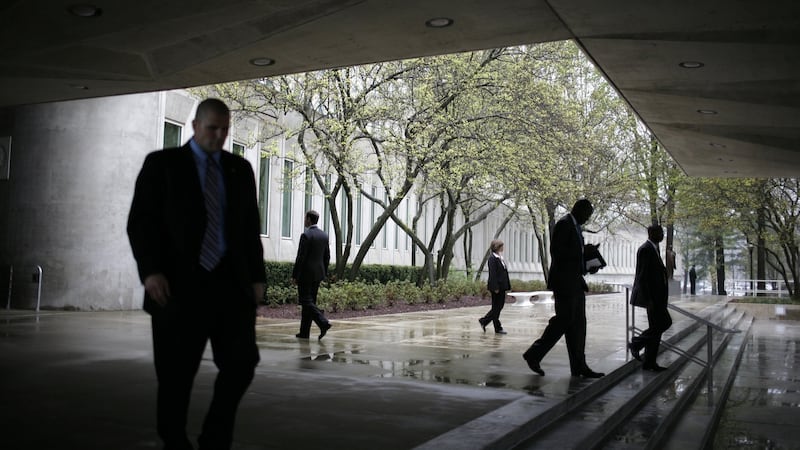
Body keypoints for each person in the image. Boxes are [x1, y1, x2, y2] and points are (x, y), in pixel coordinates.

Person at [127, 98, 266, 450]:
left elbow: (250, 229)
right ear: (194, 126)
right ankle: (174, 440)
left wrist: (257, 277)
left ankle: (214, 439)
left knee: (242, 364)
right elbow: (141, 223)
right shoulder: (163, 165)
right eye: (212, 128)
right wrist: (151, 271)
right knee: (176, 378)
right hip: (176, 289)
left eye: (225, 129)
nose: (219, 136)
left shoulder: (240, 170)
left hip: (229, 288)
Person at [522, 199, 605, 378]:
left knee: (578, 326)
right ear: (578, 210)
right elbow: (557, 252)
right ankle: (534, 354)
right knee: (564, 321)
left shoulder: (575, 227)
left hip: (575, 282)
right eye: (587, 214)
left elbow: (573, 254)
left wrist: (587, 256)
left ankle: (579, 366)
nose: (587, 219)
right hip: (564, 283)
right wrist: (583, 252)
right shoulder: (564, 224)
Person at [629, 224, 672, 372]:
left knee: (657, 329)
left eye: (662, 232)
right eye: (659, 232)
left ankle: (649, 362)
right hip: (653, 299)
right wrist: (648, 299)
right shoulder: (645, 249)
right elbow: (642, 277)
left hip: (658, 298)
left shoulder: (654, 248)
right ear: (650, 233)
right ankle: (636, 343)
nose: (662, 235)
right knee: (665, 323)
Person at [292, 210, 332, 340]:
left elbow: (301, 257)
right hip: (318, 275)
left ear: (309, 219)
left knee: (305, 301)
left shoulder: (306, 235)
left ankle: (323, 322)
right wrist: (323, 273)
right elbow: (327, 257)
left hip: (305, 275)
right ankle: (304, 332)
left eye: (305, 218)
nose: (304, 220)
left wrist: (295, 275)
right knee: (310, 303)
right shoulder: (324, 236)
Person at [479, 240, 511, 334]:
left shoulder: (499, 257)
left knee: (497, 307)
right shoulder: (492, 259)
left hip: (502, 286)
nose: (503, 248)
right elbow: (493, 274)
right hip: (497, 287)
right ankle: (496, 327)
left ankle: (485, 321)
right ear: (497, 247)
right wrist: (495, 287)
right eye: (502, 246)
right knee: (497, 307)